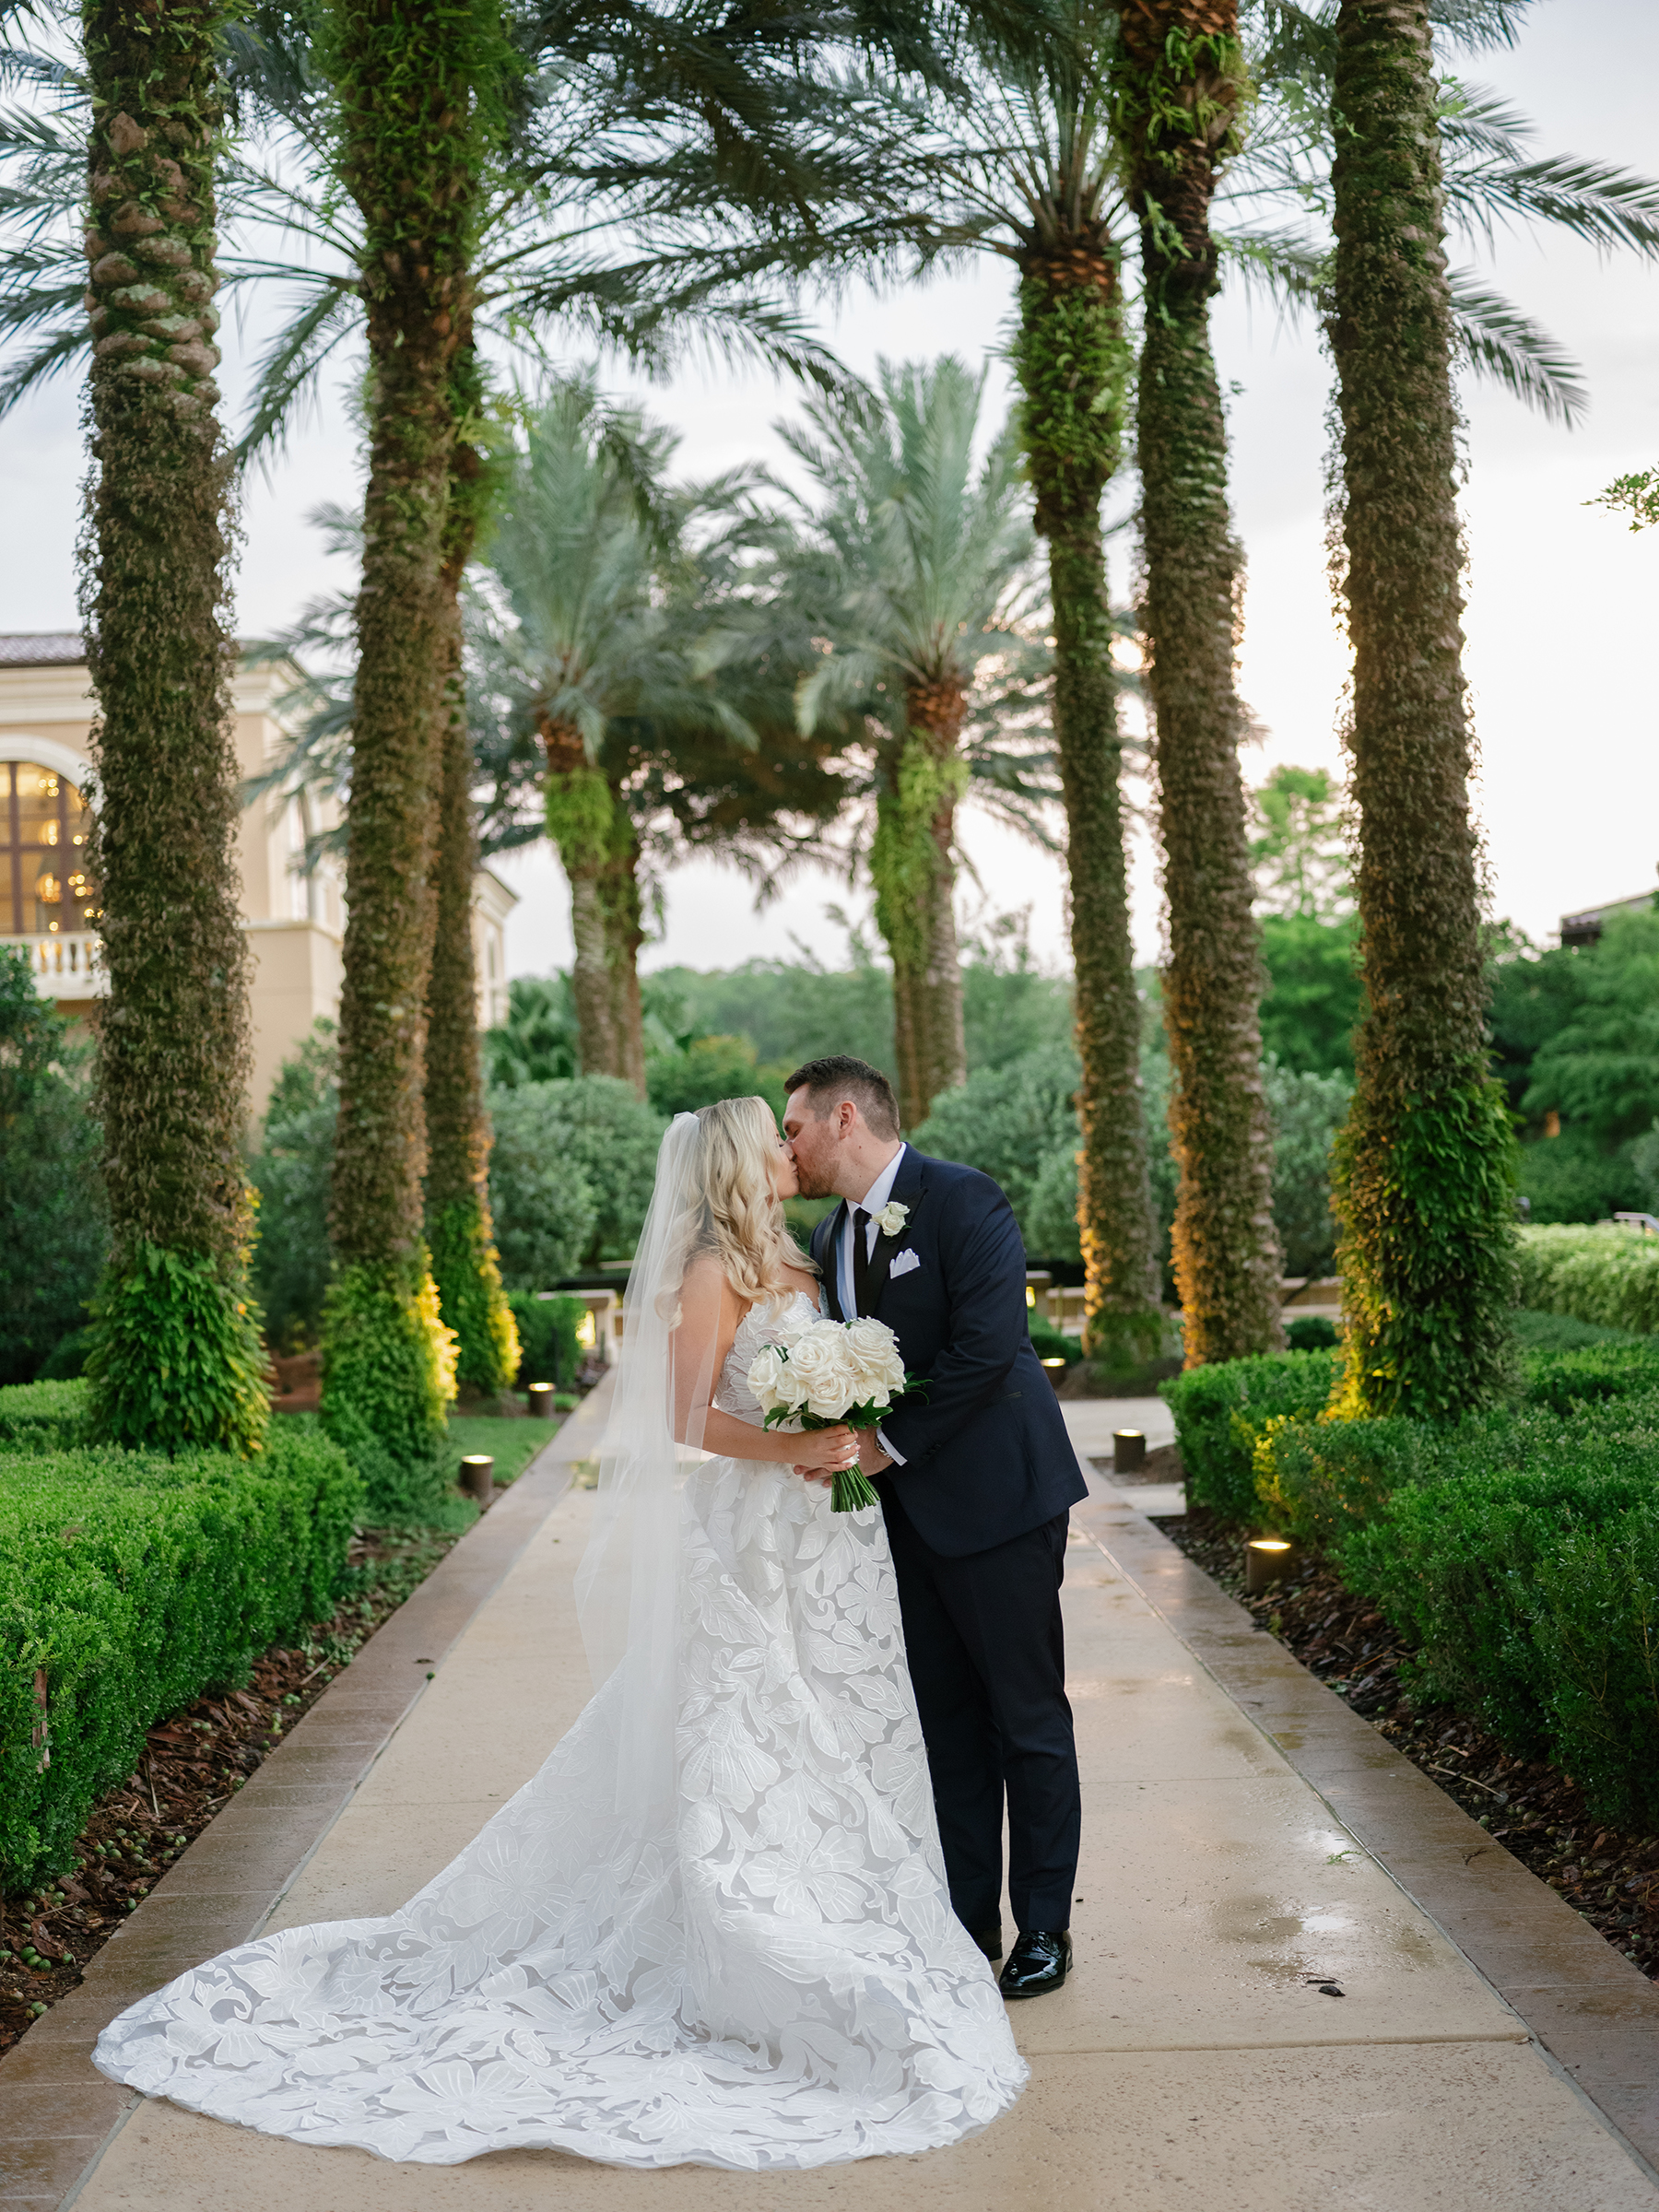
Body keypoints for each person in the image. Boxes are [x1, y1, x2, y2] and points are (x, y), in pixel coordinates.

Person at [91, 1098, 1027, 2170]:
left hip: (838, 1544)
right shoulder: (714, 1273)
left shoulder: (815, 1259)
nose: (787, 1149)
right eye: (772, 1137)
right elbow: (684, 1419)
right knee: (750, 1730)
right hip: (764, 1529)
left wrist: (847, 1425)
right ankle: (756, 1923)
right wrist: (798, 1446)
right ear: (735, 1162)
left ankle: (880, 1907)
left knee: (850, 1716)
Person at [784, 1055, 1087, 2001]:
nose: (785, 1147)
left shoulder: (962, 1200)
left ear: (843, 1118)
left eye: (794, 1127)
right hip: (904, 1527)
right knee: (946, 1730)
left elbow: (990, 1349)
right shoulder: (830, 1237)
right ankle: (967, 1923)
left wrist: (888, 1447)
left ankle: (1044, 1927)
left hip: (1000, 1504)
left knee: (1025, 1721)